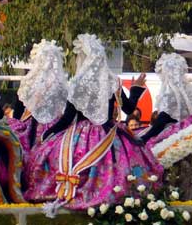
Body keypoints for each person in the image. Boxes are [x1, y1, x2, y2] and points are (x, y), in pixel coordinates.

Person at [23, 34, 162, 213]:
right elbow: (128, 109)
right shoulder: (111, 81)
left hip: (78, 137)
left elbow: (67, 118)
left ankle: (75, 193)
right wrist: (135, 89)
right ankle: (112, 197)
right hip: (109, 134)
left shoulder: (78, 84)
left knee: (59, 160)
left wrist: (47, 135)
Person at [142, 53, 192, 146]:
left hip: (174, 141)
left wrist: (144, 138)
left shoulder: (170, 94)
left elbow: (163, 119)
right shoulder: (191, 92)